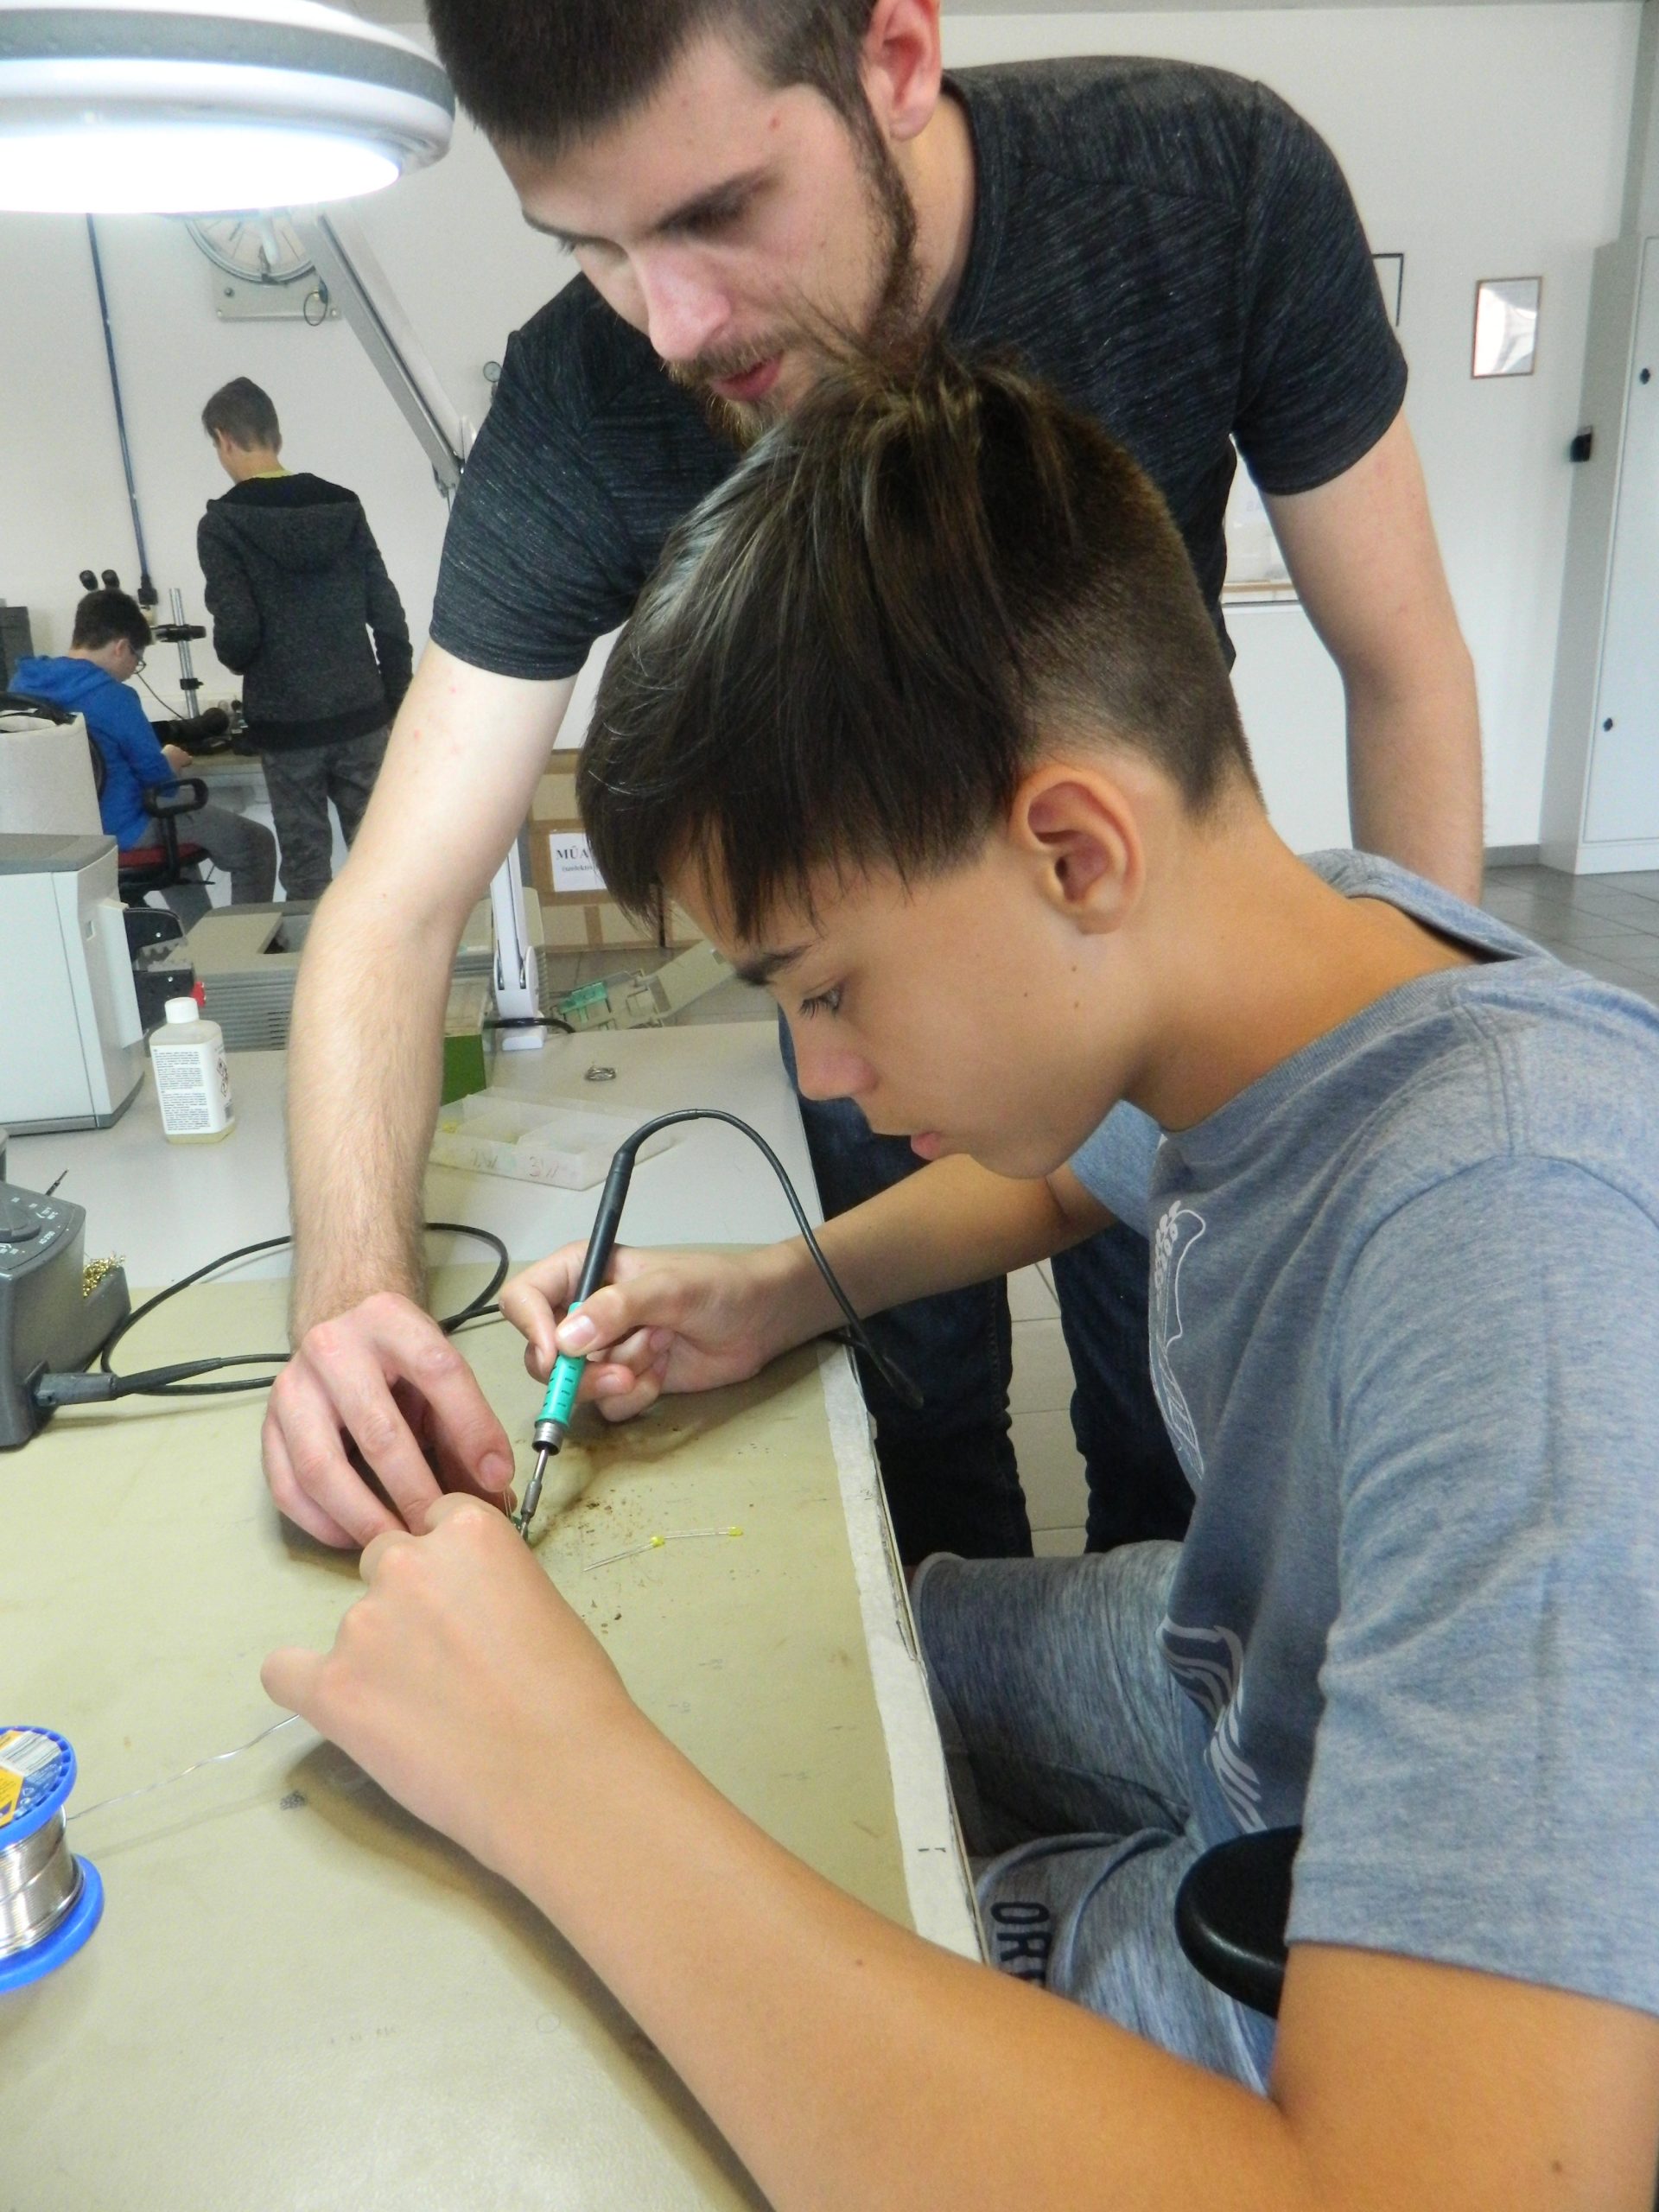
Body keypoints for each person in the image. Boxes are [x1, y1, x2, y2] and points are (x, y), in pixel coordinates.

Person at [264, 354, 1659, 2207]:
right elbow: (1075, 1176)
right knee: (880, 1654)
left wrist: (555, 1779)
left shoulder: (1516, 1247)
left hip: (1394, 1928)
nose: (826, 1075)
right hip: (1253, 1682)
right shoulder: (1288, 965)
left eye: (827, 986)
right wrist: (778, 1286)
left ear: (1072, 849)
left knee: (838, 1935)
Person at [262, 0, 1483, 1564]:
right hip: (957, 982)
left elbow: (1404, 667)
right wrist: (353, 1312)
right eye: (591, 246)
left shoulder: (1205, 189)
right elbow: (396, 899)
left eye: (720, 211)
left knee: (1184, 1432)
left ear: (895, 59)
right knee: (914, 1417)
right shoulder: (584, 394)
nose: (672, 327)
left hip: (1157, 980)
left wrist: (1393, 1120)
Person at [198, 377, 411, 901]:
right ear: (276, 435)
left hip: (286, 726)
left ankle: (316, 956)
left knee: (307, 870)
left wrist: (234, 652)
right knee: (385, 859)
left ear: (224, 438)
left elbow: (239, 635)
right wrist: (394, 700)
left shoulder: (223, 524)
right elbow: (387, 613)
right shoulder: (343, 506)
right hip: (361, 714)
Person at [11, 588, 275, 926]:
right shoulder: (113, 696)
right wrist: (171, 762)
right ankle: (242, 944)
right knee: (255, 842)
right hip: (124, 826)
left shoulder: (22, 686)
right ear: (121, 647)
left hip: (58, 835)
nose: (133, 669)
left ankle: (201, 938)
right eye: (137, 659)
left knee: (179, 845)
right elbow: (158, 780)